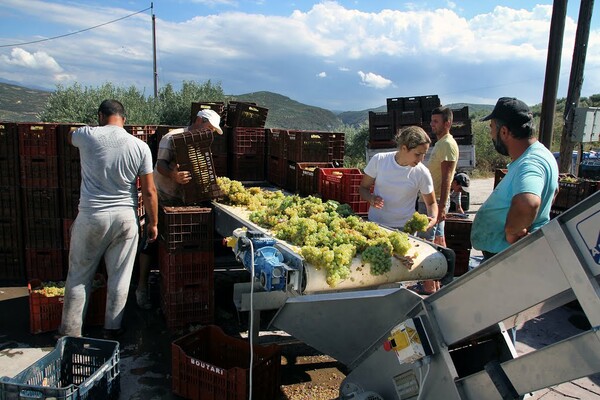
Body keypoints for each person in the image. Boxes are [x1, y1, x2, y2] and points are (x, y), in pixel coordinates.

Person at [59, 99, 158, 339]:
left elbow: (68, 134)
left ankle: (70, 334)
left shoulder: (88, 135)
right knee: (120, 278)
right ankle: (112, 330)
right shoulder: (140, 146)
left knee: (79, 276)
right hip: (126, 219)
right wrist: (153, 223)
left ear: (101, 116)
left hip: (92, 216)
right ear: (124, 119)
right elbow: (149, 191)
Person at [135, 108, 223, 309]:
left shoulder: (201, 143)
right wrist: (174, 176)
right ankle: (141, 288)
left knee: (179, 245)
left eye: (212, 131)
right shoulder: (172, 138)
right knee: (152, 240)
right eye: (208, 128)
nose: (209, 133)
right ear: (199, 121)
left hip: (184, 201)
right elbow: (160, 166)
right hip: (163, 197)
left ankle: (178, 286)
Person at [471, 97, 559, 261]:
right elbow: (555, 192)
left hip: (507, 257)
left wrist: (512, 232)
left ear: (504, 132)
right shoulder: (541, 154)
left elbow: (528, 202)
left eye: (491, 128)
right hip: (508, 255)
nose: (491, 134)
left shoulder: (530, 162)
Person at [359, 125, 438, 232]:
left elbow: (431, 203)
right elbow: (363, 188)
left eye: (424, 154)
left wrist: (433, 218)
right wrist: (371, 199)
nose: (421, 159)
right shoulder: (379, 160)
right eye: (418, 154)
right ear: (404, 148)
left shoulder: (422, 172)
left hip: (406, 229)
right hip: (376, 225)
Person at [416, 106, 459, 294]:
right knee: (439, 241)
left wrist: (441, 206)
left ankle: (428, 287)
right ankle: (438, 283)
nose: (432, 125)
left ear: (447, 123)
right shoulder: (442, 143)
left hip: (434, 201)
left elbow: (447, 178)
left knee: (428, 243)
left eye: (436, 121)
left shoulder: (447, 144)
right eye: (431, 121)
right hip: (434, 200)